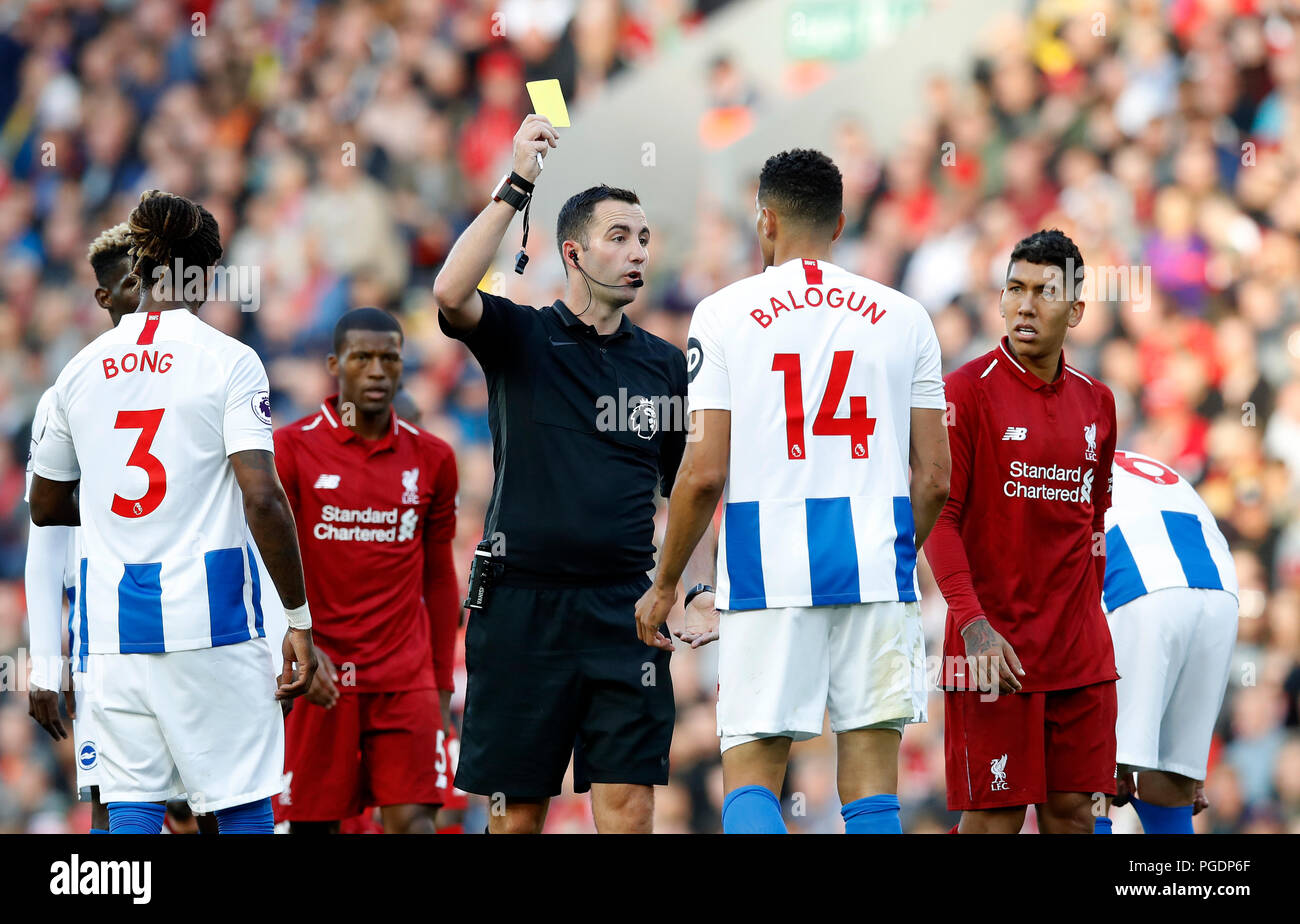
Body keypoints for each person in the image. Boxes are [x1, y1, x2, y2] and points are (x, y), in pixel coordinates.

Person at [634, 149, 952, 834]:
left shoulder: (723, 314)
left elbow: (704, 473)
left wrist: (666, 585)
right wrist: (893, 552)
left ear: (765, 221)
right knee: (871, 782)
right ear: (840, 224)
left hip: (766, 570)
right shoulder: (904, 316)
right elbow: (934, 477)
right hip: (873, 568)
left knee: (752, 774)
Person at [433, 113, 712, 833]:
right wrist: (518, 180)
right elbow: (450, 291)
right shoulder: (523, 336)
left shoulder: (664, 364)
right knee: (519, 813)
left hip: (628, 608)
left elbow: (690, 492)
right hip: (521, 603)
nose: (637, 252)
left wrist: (696, 586)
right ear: (573, 252)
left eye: (644, 238)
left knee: (628, 805)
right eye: (619, 236)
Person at [28, 189, 317, 834]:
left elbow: (46, 508)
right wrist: (297, 620)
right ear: (205, 272)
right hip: (210, 623)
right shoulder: (229, 362)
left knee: (130, 812)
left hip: (112, 630)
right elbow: (263, 497)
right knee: (240, 803)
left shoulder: (76, 373)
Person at [925, 229, 1119, 834]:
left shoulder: (1099, 403)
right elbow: (939, 520)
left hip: (1078, 656)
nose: (1026, 304)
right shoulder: (963, 394)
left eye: (1044, 291)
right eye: (1015, 289)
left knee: (1075, 819)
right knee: (994, 821)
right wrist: (973, 626)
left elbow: (1094, 524)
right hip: (992, 652)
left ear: (1076, 309)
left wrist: (1091, 626)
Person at [273, 307, 460, 834]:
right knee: (314, 827)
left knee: (415, 823)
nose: (377, 371)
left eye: (389, 359)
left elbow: (441, 578)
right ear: (336, 364)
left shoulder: (434, 458)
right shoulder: (291, 449)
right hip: (321, 671)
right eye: (363, 358)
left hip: (404, 676)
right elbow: (261, 566)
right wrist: (298, 646)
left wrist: (440, 682)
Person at [26, 222, 141, 833]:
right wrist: (46, 667)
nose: (146, 297)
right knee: (114, 805)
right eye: (130, 284)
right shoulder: (68, 391)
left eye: (154, 281)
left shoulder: (206, 372)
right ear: (104, 298)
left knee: (210, 803)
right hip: (105, 637)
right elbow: (45, 546)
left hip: (200, 623)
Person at [1094, 449, 1238, 834]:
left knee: (1091, 782)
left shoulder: (1057, 464)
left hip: (1138, 589)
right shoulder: (1146, 462)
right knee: (1173, 782)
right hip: (1221, 589)